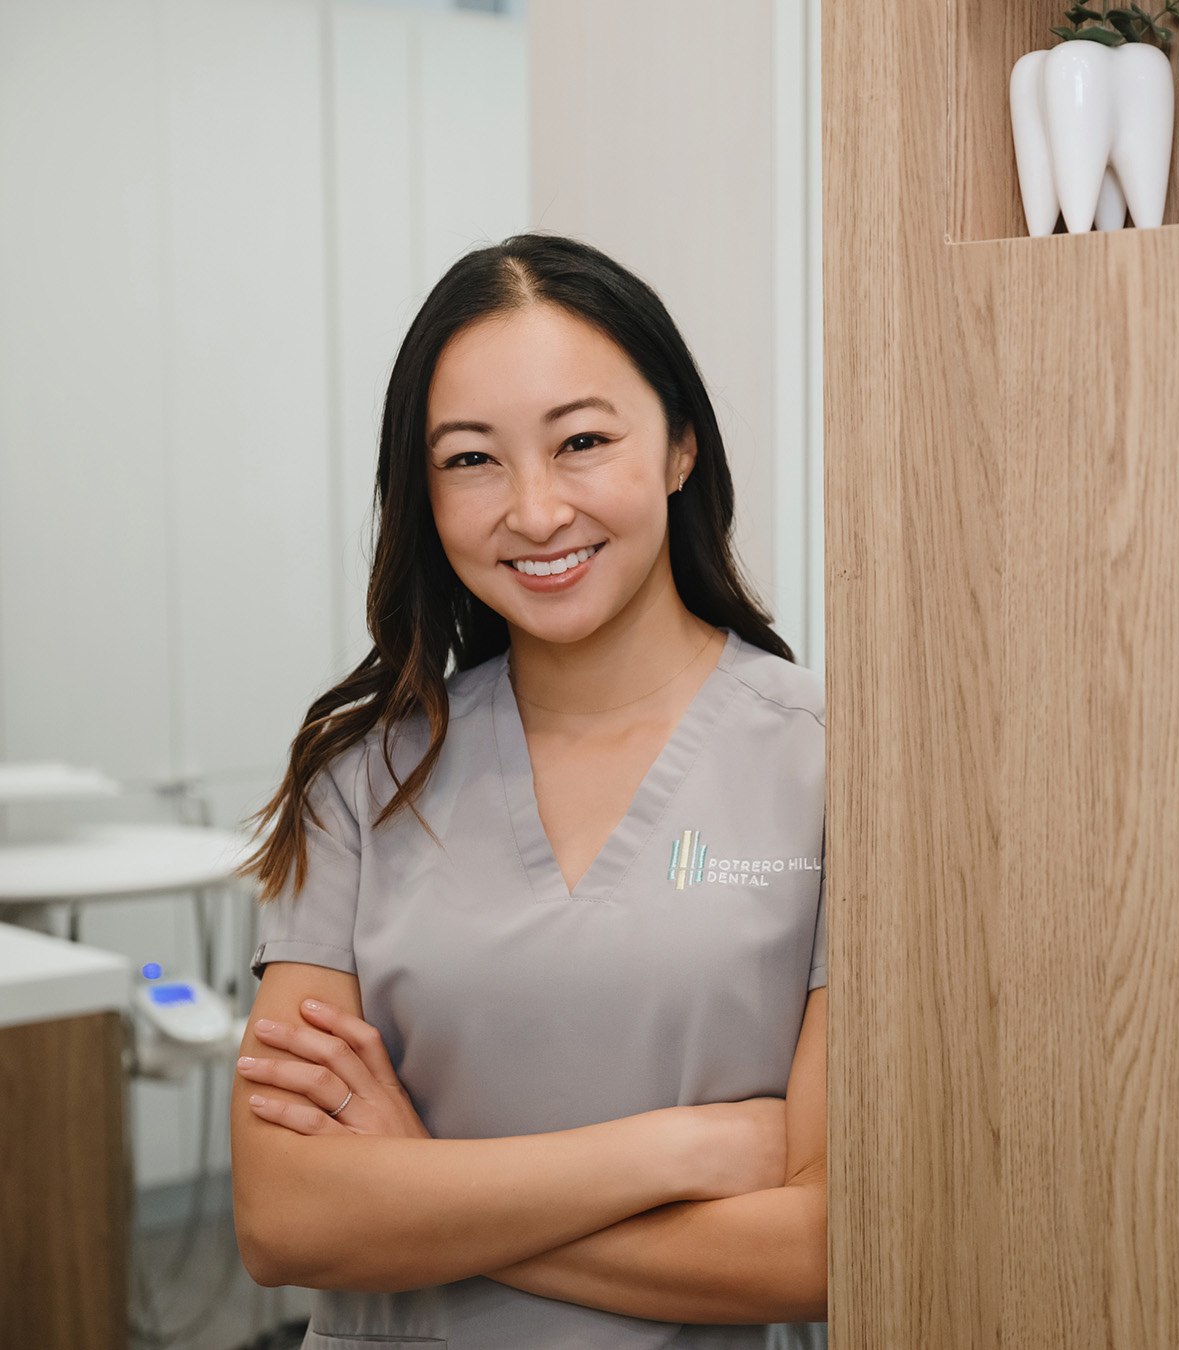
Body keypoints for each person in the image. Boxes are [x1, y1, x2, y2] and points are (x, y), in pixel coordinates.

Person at [228, 234, 826, 1348]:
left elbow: (815, 1248)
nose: (537, 510)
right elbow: (283, 1219)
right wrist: (674, 1153)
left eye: (583, 441)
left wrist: (415, 1193)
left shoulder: (834, 771)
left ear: (681, 446)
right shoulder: (361, 781)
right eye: (471, 460)